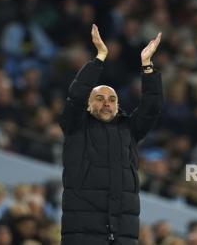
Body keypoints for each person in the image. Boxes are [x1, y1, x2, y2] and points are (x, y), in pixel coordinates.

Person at [59, 24, 163, 245]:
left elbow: (151, 107)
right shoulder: (75, 126)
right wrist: (99, 58)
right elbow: (76, 96)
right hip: (83, 233)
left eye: (112, 99)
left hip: (123, 233)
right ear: (88, 105)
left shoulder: (129, 129)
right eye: (99, 98)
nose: (107, 102)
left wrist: (147, 66)